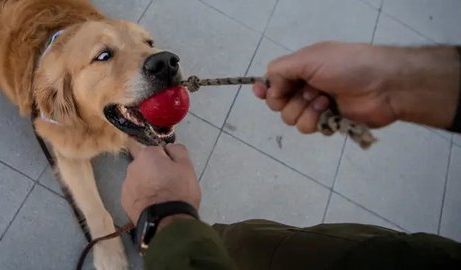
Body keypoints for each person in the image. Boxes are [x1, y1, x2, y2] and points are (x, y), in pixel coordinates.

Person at [121, 42, 461, 270]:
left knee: (242, 246)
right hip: (405, 256)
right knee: (247, 240)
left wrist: (166, 218)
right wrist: (400, 80)